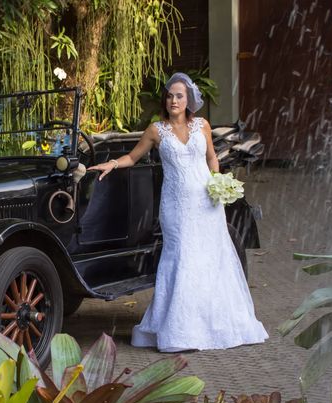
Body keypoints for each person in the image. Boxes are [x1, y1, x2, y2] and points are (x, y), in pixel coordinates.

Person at [88, 72, 268, 352]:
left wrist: (218, 182)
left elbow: (211, 158)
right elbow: (133, 157)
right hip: (175, 207)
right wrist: (111, 163)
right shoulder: (156, 130)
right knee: (181, 256)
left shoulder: (203, 126)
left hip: (206, 204)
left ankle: (210, 324)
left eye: (179, 96)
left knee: (209, 259)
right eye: (170, 95)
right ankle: (178, 328)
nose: (173, 100)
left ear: (189, 100)